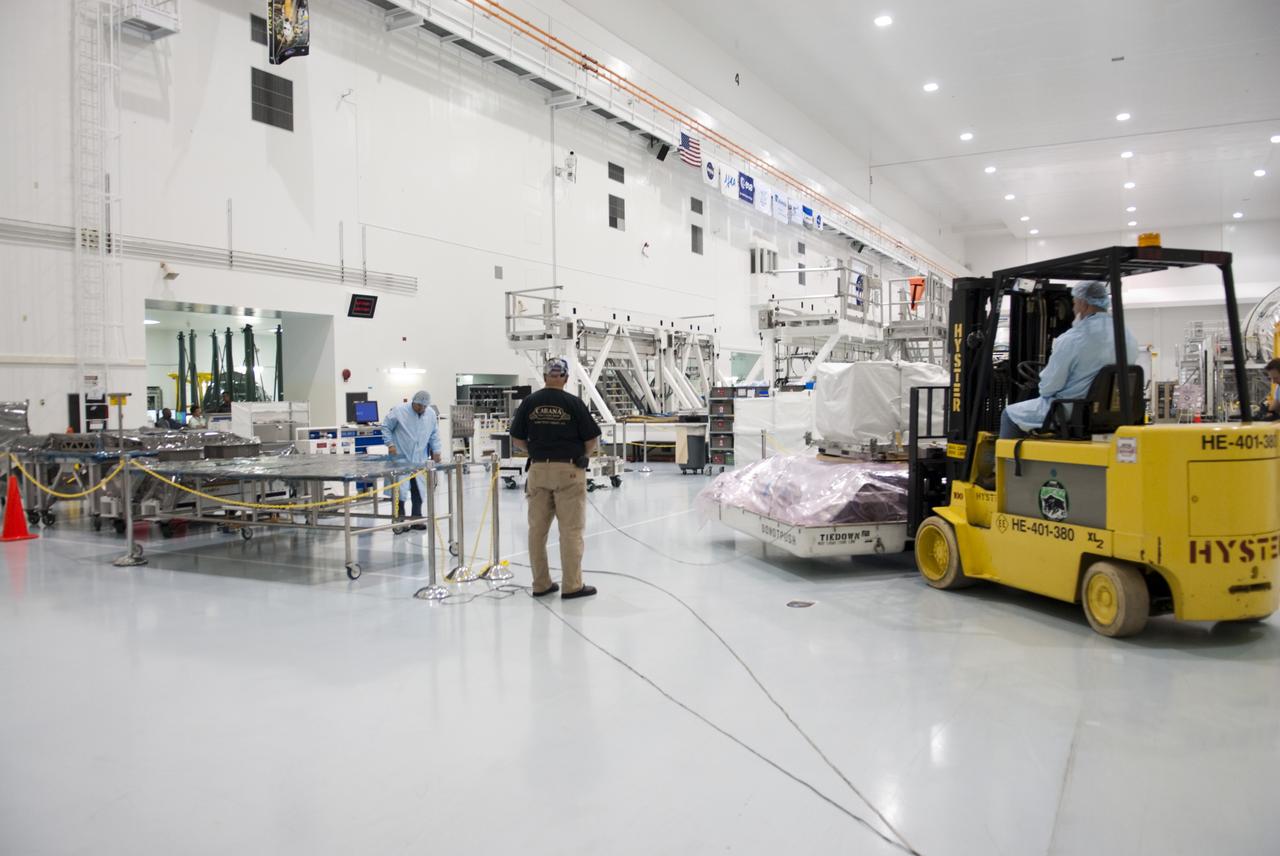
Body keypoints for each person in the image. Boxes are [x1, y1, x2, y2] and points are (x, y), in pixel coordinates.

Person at [509, 358, 602, 600]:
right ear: (566, 378)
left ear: (545, 376)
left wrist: (536, 452)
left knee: (536, 531)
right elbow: (592, 439)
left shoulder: (529, 402)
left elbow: (517, 439)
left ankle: (541, 584)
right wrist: (584, 456)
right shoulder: (573, 403)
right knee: (570, 531)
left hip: (538, 471)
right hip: (568, 470)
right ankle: (572, 585)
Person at [1001, 280, 1139, 439]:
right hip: (1111, 410)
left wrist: (1043, 381)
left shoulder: (1073, 339)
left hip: (1071, 409)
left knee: (1010, 414)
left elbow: (1048, 387)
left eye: (1074, 304)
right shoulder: (1126, 335)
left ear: (1083, 304)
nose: (1073, 309)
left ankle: (1006, 463)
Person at [382, 390, 442, 528]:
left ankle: (416, 518)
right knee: (400, 490)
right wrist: (390, 444)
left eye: (424, 407)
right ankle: (399, 520)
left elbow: (434, 434)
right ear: (413, 402)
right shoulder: (399, 411)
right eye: (419, 406)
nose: (421, 409)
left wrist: (436, 450)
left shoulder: (430, 414)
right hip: (401, 458)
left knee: (418, 489)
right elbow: (385, 427)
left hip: (419, 459)